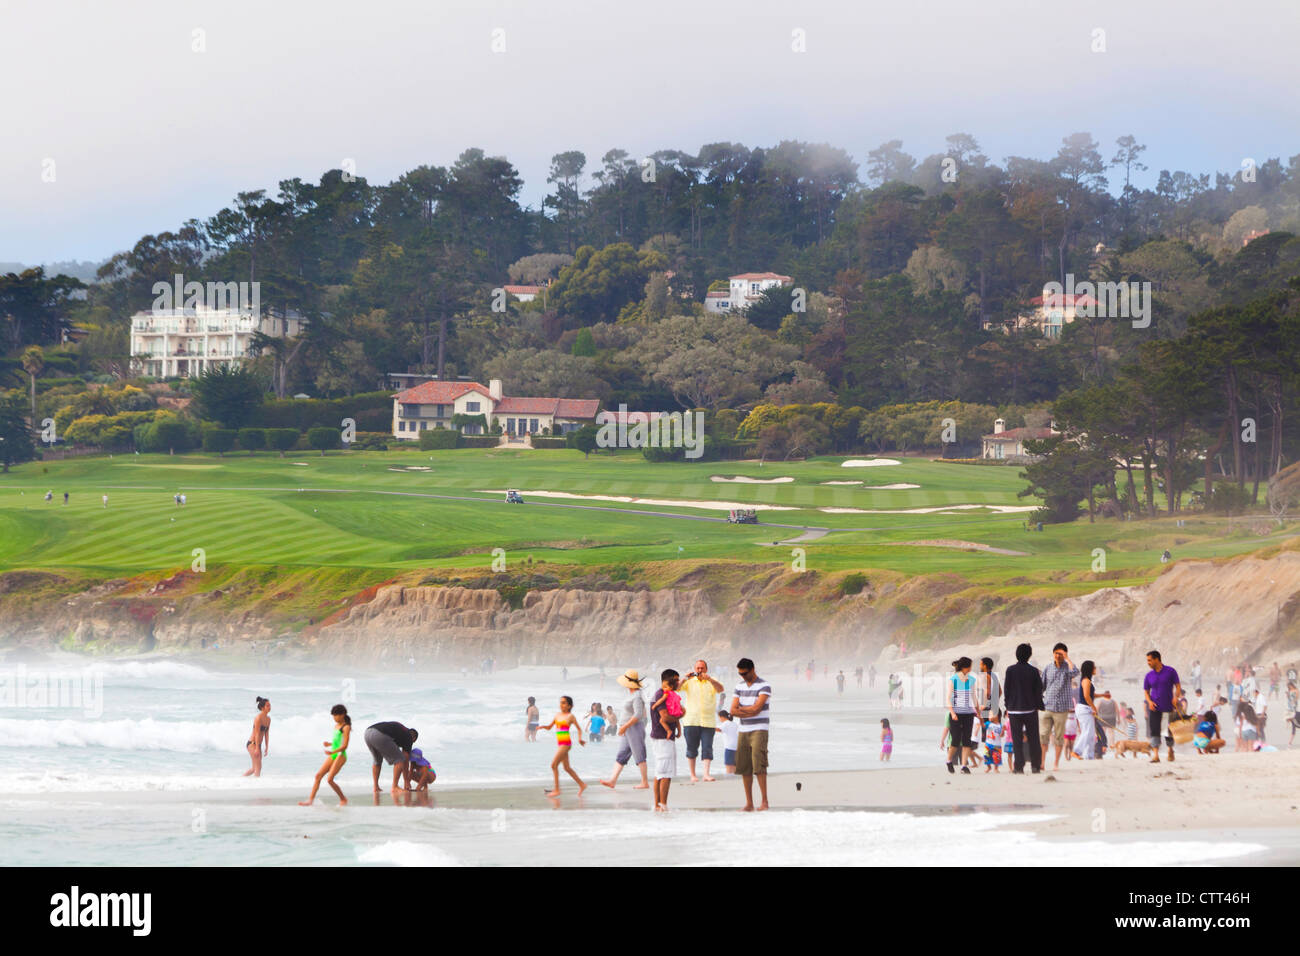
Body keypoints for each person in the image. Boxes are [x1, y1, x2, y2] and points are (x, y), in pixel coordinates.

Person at [730, 658, 771, 811]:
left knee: (759, 764)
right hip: (743, 730)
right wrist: (749, 709)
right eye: (740, 674)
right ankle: (749, 803)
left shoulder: (764, 685)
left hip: (760, 728)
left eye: (745, 673)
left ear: (752, 669)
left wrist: (743, 709)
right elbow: (732, 710)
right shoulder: (739, 686)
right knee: (744, 766)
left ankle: (764, 801)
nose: (743, 676)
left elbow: (757, 709)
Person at [601, 670, 650, 790]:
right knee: (622, 754)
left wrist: (624, 727)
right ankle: (612, 780)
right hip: (627, 728)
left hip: (634, 728)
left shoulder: (637, 696)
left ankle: (644, 782)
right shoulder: (632, 694)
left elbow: (638, 714)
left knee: (639, 754)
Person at [679, 659, 724, 783]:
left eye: (702, 668)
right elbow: (675, 689)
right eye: (697, 668)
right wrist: (684, 678)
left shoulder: (711, 681)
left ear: (706, 669)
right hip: (691, 720)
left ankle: (706, 774)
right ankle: (693, 775)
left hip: (708, 721)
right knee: (691, 748)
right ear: (694, 669)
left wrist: (710, 679)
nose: (700, 670)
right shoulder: (689, 682)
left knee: (707, 747)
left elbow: (721, 689)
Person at [1003, 643, 1044, 773]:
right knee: (1033, 738)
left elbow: (1007, 689)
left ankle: (1018, 767)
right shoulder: (1033, 671)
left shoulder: (1010, 670)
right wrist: (1039, 705)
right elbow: (1038, 690)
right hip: (1030, 709)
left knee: (1016, 739)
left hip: (1014, 709)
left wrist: (1007, 706)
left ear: (1017, 654)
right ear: (1029, 655)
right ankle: (1035, 766)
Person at [299, 704, 351, 805]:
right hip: (333, 754)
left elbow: (345, 746)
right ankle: (310, 800)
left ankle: (343, 799)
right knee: (318, 776)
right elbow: (338, 741)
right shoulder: (336, 726)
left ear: (343, 714)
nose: (334, 718)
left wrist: (332, 751)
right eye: (333, 716)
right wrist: (329, 744)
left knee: (330, 779)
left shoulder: (346, 727)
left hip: (340, 755)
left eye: (336, 715)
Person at [1039, 643, 1078, 771]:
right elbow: (1042, 686)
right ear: (1053, 653)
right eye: (1056, 653)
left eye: (1061, 654)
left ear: (1065, 654)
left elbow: (1076, 672)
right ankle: (1042, 763)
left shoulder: (1068, 668)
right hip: (1048, 706)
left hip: (1062, 709)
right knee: (1043, 735)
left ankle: (1056, 763)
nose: (1058, 656)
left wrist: (1067, 659)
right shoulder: (1048, 668)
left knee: (1059, 737)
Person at [539, 696, 586, 796]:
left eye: (564, 703)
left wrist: (579, 739)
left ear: (569, 706)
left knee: (553, 765)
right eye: (560, 702)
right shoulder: (557, 715)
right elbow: (549, 727)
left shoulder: (571, 716)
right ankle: (582, 785)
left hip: (566, 744)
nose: (561, 705)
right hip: (560, 743)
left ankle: (557, 790)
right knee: (567, 768)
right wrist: (543, 727)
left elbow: (579, 729)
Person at [1142, 650, 1182, 763]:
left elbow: (1178, 686)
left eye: (1149, 660)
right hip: (1154, 707)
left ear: (1157, 659)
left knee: (1167, 730)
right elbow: (1146, 691)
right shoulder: (1149, 676)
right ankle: (1156, 755)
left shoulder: (1170, 671)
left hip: (1168, 706)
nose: (1148, 663)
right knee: (1154, 730)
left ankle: (1170, 750)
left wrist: (1176, 697)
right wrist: (1149, 701)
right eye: (1147, 660)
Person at [649, 670, 681, 810]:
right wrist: (679, 717)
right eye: (675, 680)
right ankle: (662, 805)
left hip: (661, 738)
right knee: (665, 773)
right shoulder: (661, 694)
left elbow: (680, 710)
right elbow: (665, 716)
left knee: (660, 772)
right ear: (666, 681)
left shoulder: (665, 694)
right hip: (663, 737)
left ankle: (658, 805)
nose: (677, 683)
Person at [365, 720, 418, 791]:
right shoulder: (408, 737)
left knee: (377, 761)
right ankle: (395, 786)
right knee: (400, 760)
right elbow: (405, 760)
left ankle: (376, 787)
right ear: (414, 738)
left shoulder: (401, 731)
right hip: (380, 734)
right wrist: (406, 781)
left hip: (368, 733)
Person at [946, 657, 977, 774]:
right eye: (970, 666)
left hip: (969, 714)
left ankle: (964, 765)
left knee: (967, 741)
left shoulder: (972, 680)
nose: (971, 668)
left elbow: (974, 697)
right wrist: (953, 713)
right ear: (966, 667)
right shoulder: (953, 679)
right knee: (955, 740)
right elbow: (948, 699)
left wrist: (978, 712)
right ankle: (948, 760)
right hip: (956, 714)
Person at [1072, 660, 1099, 761]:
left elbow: (1090, 695)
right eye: (1094, 667)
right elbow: (1086, 696)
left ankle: (1089, 756)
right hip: (1084, 708)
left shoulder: (1086, 680)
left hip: (1084, 708)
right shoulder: (1086, 680)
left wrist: (1103, 695)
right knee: (1087, 732)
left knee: (1091, 733)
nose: (1095, 669)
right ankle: (1076, 751)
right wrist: (1094, 708)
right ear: (1090, 669)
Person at [242, 696, 271, 777]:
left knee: (254, 768)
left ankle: (240, 779)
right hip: (252, 744)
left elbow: (266, 733)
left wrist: (266, 747)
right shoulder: (258, 718)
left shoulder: (268, 719)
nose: (269, 707)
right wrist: (257, 748)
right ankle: (256, 786)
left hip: (258, 744)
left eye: (270, 705)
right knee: (258, 767)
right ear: (262, 707)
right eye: (267, 706)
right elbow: (257, 734)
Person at [977, 657, 1001, 725]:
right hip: (995, 708)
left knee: (986, 733)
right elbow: (1000, 691)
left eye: (980, 664)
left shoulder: (984, 676)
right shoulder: (994, 676)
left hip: (987, 710)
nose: (980, 666)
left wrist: (983, 706)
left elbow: (987, 691)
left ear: (985, 666)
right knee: (996, 733)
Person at [718, 709, 740, 773]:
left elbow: (719, 729)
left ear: (721, 717)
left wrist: (709, 728)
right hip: (736, 747)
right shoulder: (734, 724)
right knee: (734, 766)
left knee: (728, 767)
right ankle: (735, 780)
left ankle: (728, 779)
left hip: (729, 747)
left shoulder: (725, 723)